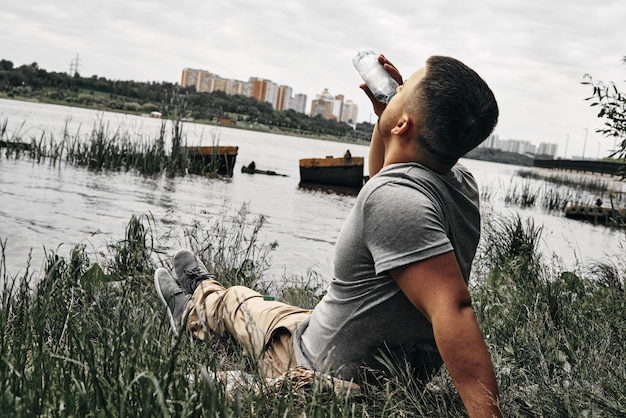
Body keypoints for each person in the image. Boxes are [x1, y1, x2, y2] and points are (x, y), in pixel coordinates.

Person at [155, 53, 502, 417]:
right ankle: (200, 300)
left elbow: (455, 309)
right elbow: (385, 177)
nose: (395, 88)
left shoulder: (396, 202)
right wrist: (387, 116)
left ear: (404, 124)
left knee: (226, 331)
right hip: (339, 343)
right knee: (248, 301)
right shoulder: (458, 182)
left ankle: (196, 309)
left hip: (323, 376)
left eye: (405, 88)